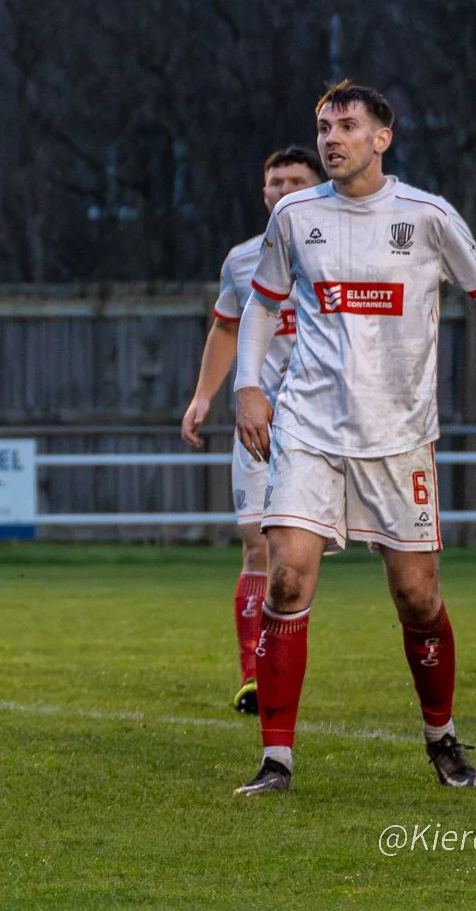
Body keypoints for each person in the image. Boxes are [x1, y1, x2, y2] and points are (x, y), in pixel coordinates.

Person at [229, 82, 476, 796]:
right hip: (307, 428)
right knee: (286, 575)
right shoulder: (296, 216)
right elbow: (262, 302)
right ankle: (277, 759)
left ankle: (441, 737)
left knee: (419, 597)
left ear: (382, 138)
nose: (331, 137)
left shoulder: (426, 216)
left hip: (399, 439)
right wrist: (249, 384)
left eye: (346, 125)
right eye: (323, 125)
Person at [180, 147, 324, 714]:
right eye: (274, 181)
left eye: (296, 179)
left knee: (303, 561)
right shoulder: (242, 260)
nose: (284, 188)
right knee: (257, 548)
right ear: (263, 193)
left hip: (325, 425)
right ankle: (254, 677)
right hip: (259, 425)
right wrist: (203, 397)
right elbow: (224, 330)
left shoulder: (338, 254)